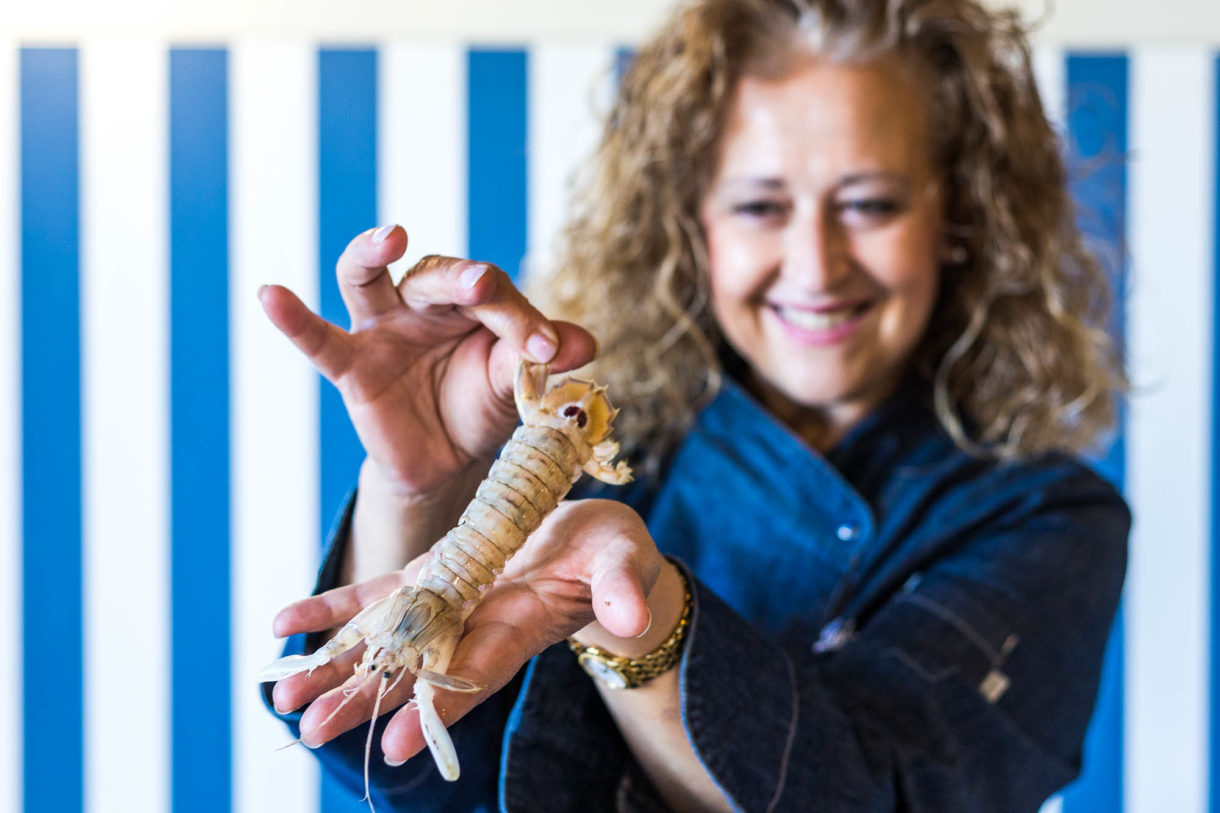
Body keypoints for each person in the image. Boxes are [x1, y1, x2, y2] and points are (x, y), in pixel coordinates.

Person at [258, 0, 1130, 809]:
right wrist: (417, 491)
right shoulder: (593, 432)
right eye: (760, 205)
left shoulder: (1048, 518)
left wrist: (645, 617)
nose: (816, 266)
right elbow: (403, 758)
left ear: (959, 216)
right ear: (692, 223)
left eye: (869, 204)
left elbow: (877, 789)